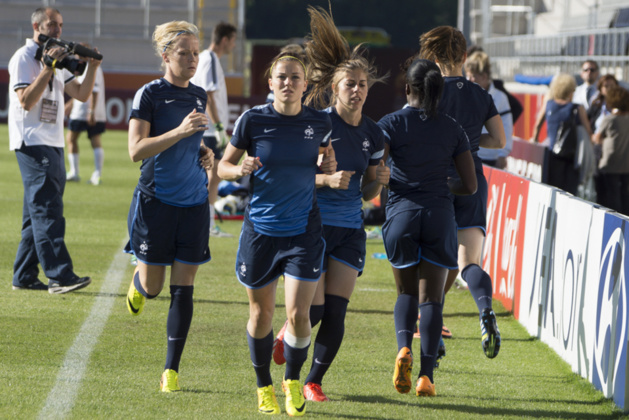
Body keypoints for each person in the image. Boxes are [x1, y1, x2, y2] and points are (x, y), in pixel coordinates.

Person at [269, 6, 390, 403]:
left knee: (336, 312)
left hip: (350, 230)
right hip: (313, 227)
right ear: (335, 88)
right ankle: (287, 337)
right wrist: (325, 178)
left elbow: (367, 193)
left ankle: (313, 381)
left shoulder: (374, 133)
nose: (356, 90)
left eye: (361, 85)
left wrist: (378, 181)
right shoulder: (315, 124)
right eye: (349, 84)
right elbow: (294, 176)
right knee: (313, 312)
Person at [217, 53, 336, 416]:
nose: (288, 83)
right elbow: (223, 166)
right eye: (281, 77)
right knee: (261, 314)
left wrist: (328, 165)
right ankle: (263, 386)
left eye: (295, 77)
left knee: (300, 315)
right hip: (261, 232)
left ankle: (292, 380)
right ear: (270, 83)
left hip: (303, 231)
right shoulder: (253, 120)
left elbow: (325, 160)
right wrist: (239, 170)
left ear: (306, 84)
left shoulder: (319, 123)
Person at [123, 20, 214, 393]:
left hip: (194, 203)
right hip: (156, 203)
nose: (193, 59)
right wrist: (179, 131)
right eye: (184, 53)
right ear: (166, 56)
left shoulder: (200, 95)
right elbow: (135, 151)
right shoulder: (149, 95)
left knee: (184, 288)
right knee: (155, 286)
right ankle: (139, 284)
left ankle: (171, 371)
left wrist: (204, 152)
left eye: (196, 53)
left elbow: (190, 144)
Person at [378, 58, 477, 397]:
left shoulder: (390, 123)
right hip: (439, 216)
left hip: (401, 214)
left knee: (405, 293)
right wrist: (440, 186)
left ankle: (404, 347)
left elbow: (376, 168)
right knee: (432, 300)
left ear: (407, 89)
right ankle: (425, 377)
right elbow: (470, 185)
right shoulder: (452, 127)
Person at [419, 26, 506, 360]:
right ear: (464, 57)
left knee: (432, 262)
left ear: (435, 58)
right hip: (471, 180)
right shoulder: (480, 94)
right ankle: (485, 311)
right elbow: (498, 141)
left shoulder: (430, 92)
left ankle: (431, 326)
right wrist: (469, 141)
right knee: (469, 263)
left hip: (437, 182)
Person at [8, 7, 101, 293]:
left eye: (60, 25)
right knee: (48, 209)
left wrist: (93, 66)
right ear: (36, 25)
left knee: (35, 212)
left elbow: (82, 95)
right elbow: (25, 101)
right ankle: (59, 275)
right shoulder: (24, 58)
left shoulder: (59, 60)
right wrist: (47, 68)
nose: (58, 30)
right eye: (51, 24)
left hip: (53, 141)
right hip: (33, 141)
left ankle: (24, 275)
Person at [190, 22, 237, 238]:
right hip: (209, 129)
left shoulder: (206, 58)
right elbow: (208, 95)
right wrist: (218, 127)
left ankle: (204, 224)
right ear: (225, 39)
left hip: (206, 128)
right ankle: (206, 225)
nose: (234, 45)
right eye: (233, 40)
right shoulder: (209, 59)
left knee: (209, 177)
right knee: (213, 177)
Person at [532, 73, 593, 195]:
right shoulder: (577, 108)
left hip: (551, 154)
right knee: (569, 192)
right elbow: (588, 131)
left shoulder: (548, 105)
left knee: (552, 190)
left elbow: (538, 125)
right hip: (571, 156)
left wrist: (535, 140)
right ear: (571, 90)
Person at [464, 51, 513, 170]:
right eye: (467, 75)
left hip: (491, 159)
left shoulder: (500, 98)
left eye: (472, 76)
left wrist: (502, 155)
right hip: (468, 157)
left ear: (484, 77)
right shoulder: (464, 95)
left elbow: (507, 126)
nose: (468, 79)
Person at [65, 50, 106, 185]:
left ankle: (95, 174)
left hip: (84, 112)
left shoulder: (92, 68)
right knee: (73, 139)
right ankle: (75, 172)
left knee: (91, 140)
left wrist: (91, 112)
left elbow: (94, 91)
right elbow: (79, 90)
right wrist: (70, 104)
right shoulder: (82, 68)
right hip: (81, 110)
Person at [592, 86, 629, 215]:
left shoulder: (609, 119)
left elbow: (597, 138)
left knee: (612, 195)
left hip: (610, 162)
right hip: (626, 163)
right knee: (625, 194)